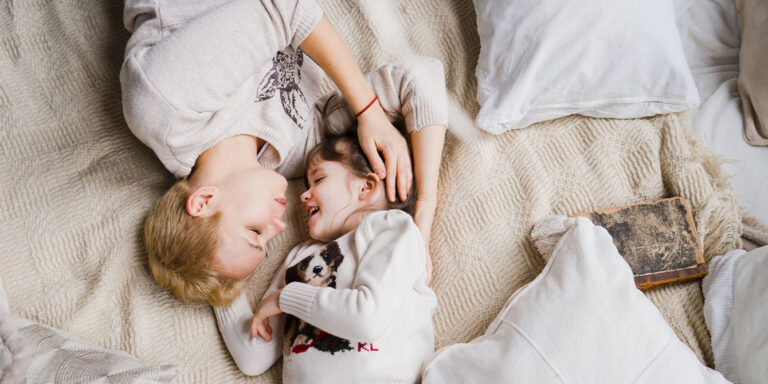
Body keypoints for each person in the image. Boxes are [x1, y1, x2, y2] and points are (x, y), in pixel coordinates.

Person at [120, 0, 447, 305]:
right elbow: (420, 79)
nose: (278, 228)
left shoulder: (165, 112)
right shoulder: (293, 155)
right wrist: (423, 215)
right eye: (267, 242)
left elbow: (287, 7)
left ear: (204, 200)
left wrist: (369, 111)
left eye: (254, 232)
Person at [215, 135, 437, 383]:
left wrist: (283, 298)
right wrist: (215, 275)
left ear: (366, 186)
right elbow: (253, 356)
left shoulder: (393, 229)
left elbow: (367, 318)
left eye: (318, 179)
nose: (303, 195)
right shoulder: (300, 257)